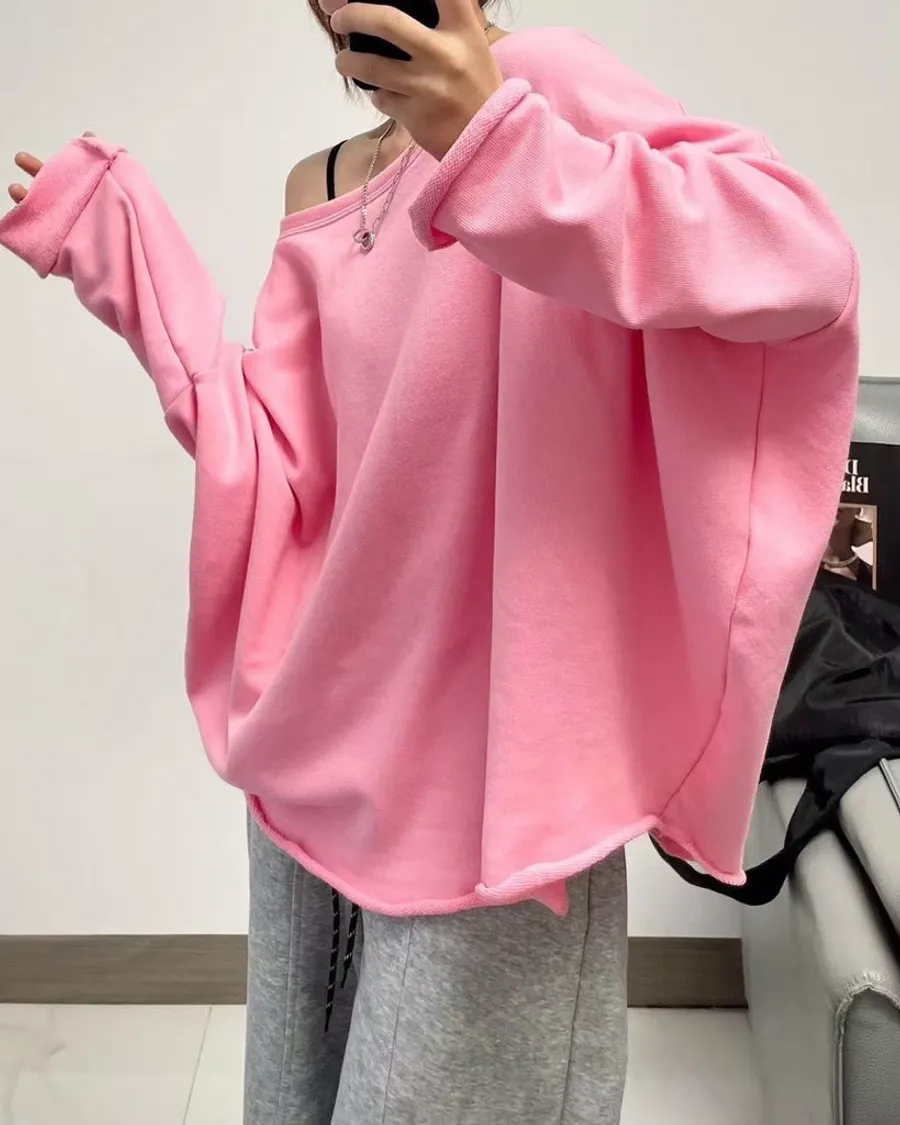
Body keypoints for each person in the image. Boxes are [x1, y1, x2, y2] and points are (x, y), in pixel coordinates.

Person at [1, 1, 860, 1122]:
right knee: (296, 1102)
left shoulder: (543, 83)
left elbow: (803, 262)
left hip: (490, 793)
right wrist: (129, 262)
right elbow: (285, 474)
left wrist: (502, 147)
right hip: (319, 752)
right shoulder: (319, 182)